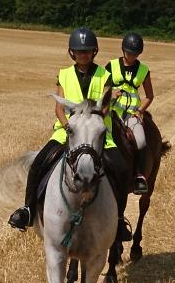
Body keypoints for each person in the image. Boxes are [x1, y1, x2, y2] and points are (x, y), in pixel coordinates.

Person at [8, 27, 123, 231]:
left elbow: (105, 106)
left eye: (87, 51)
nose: (83, 54)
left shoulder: (105, 75)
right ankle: (28, 210)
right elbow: (59, 108)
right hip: (68, 131)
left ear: (94, 52)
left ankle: (119, 219)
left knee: (120, 168)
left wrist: (100, 114)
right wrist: (69, 127)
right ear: (72, 53)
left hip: (97, 132)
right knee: (39, 164)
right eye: (79, 51)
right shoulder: (64, 74)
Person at [105, 32, 155, 195]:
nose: (132, 56)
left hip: (131, 114)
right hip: (111, 112)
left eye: (135, 53)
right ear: (123, 50)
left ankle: (139, 176)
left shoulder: (143, 70)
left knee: (140, 141)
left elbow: (149, 96)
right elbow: (101, 90)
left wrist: (140, 111)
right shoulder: (110, 66)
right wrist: (110, 94)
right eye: (129, 53)